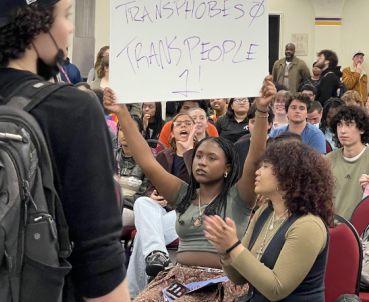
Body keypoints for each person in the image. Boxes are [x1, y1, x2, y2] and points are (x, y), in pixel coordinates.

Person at [0, 0, 129, 301]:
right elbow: (99, 260)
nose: (71, 27)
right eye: (64, 14)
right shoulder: (72, 109)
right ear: (36, 27)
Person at [105, 76, 275, 302]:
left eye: (211, 158)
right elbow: (147, 160)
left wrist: (262, 109)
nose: (201, 162)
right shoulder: (184, 194)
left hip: (220, 283)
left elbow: (255, 158)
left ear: (227, 167)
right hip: (177, 279)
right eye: (199, 157)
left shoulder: (239, 196)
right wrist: (122, 113)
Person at [205, 139, 335, 302]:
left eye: (265, 167)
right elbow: (239, 278)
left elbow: (276, 289)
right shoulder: (264, 213)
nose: (258, 172)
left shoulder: (308, 225)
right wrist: (225, 251)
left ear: (288, 175)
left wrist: (234, 246)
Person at [129, 113, 196, 296]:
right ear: (172, 132)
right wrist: (153, 195)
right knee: (143, 202)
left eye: (188, 124)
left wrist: (190, 151)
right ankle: (158, 254)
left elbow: (201, 187)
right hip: (161, 212)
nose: (183, 126)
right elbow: (150, 187)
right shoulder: (162, 157)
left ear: (194, 130)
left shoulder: (201, 155)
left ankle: (133, 293)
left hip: (189, 213)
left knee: (142, 236)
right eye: (178, 124)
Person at [328, 106, 369, 220]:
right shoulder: (327, 160)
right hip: (330, 227)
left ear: (362, 129)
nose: (343, 130)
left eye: (349, 125)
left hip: (362, 231)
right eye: (339, 125)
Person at [234, 105, 275, 176]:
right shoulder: (238, 146)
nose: (256, 126)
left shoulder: (277, 146)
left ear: (270, 125)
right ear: (248, 124)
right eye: (253, 122)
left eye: (261, 122)